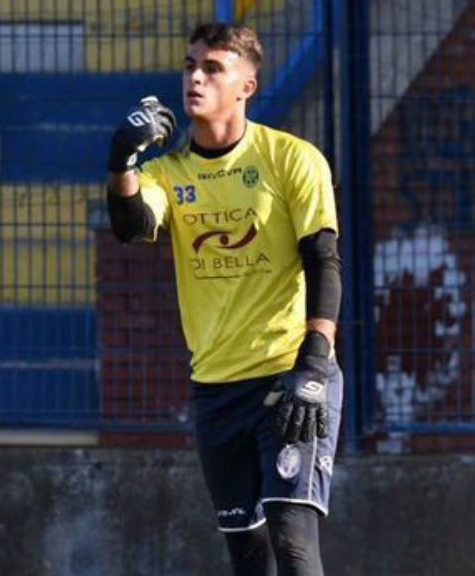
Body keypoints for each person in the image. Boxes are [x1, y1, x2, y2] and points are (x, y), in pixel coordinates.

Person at [104, 22, 343, 576]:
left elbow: (324, 260)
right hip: (216, 386)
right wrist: (121, 160)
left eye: (213, 68)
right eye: (190, 66)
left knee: (292, 537)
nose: (196, 78)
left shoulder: (291, 159)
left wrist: (314, 361)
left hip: (289, 375)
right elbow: (130, 225)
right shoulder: (167, 172)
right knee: (247, 552)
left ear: (247, 87)